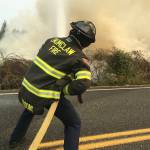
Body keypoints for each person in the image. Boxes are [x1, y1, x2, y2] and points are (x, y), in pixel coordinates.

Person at [9, 20, 96, 150]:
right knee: (74, 123)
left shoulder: (51, 41)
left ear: (71, 31)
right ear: (86, 42)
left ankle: (14, 141)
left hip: (27, 89)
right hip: (44, 94)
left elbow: (49, 64)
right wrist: (64, 90)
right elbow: (83, 83)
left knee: (29, 109)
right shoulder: (79, 58)